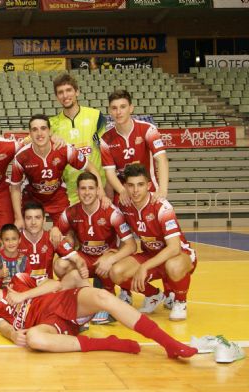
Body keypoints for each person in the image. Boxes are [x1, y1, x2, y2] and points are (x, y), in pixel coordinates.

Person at [0, 274, 198, 359]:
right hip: (49, 324)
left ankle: (169, 344)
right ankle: (108, 343)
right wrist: (14, 335)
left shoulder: (18, 280)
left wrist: (23, 295)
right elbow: (4, 328)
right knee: (34, 340)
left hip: (62, 301)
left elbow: (55, 284)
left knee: (103, 297)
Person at [109, 164, 196, 321]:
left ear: (149, 185)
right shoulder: (124, 206)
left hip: (179, 255)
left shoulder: (162, 207)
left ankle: (180, 301)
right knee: (116, 271)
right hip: (150, 255)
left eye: (140, 185)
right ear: (125, 187)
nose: (135, 190)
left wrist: (144, 267)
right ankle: (153, 295)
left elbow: (174, 248)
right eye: (131, 185)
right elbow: (125, 239)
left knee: (173, 266)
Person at [54, 172, 136, 324]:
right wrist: (74, 256)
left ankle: (108, 298)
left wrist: (112, 258)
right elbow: (57, 235)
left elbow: (131, 245)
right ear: (77, 191)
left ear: (98, 190)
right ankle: (77, 299)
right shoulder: (70, 212)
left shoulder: (112, 212)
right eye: (83, 188)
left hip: (104, 258)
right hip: (84, 259)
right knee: (60, 265)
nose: (87, 192)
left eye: (91, 188)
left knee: (109, 263)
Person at [10, 114, 106, 230]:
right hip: (32, 198)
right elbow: (15, 188)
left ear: (50, 131)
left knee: (66, 236)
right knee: (30, 234)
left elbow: (91, 168)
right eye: (35, 129)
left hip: (57, 198)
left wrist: (101, 191)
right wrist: (18, 217)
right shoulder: (21, 157)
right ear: (30, 133)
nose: (39, 133)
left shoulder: (64, 149)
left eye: (43, 128)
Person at [100, 89, 170, 205]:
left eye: (123, 107)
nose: (118, 112)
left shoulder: (148, 129)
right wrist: (122, 191)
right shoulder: (105, 139)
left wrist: (163, 190)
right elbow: (110, 173)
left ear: (131, 108)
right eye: (114, 108)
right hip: (124, 195)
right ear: (109, 111)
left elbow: (162, 160)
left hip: (150, 192)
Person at [50, 73, 107, 206]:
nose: (65, 95)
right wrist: (50, 136)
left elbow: (107, 152)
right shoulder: (51, 124)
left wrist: (106, 188)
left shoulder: (96, 116)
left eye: (69, 90)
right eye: (60, 92)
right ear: (57, 97)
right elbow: (30, 138)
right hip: (71, 193)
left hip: (98, 188)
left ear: (77, 92)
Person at [0, 224, 39, 289]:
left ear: (19, 240)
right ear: (1, 241)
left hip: (21, 293)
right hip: (2, 294)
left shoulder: (24, 259)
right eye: (7, 239)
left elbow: (29, 282)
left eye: (14, 239)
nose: (11, 243)